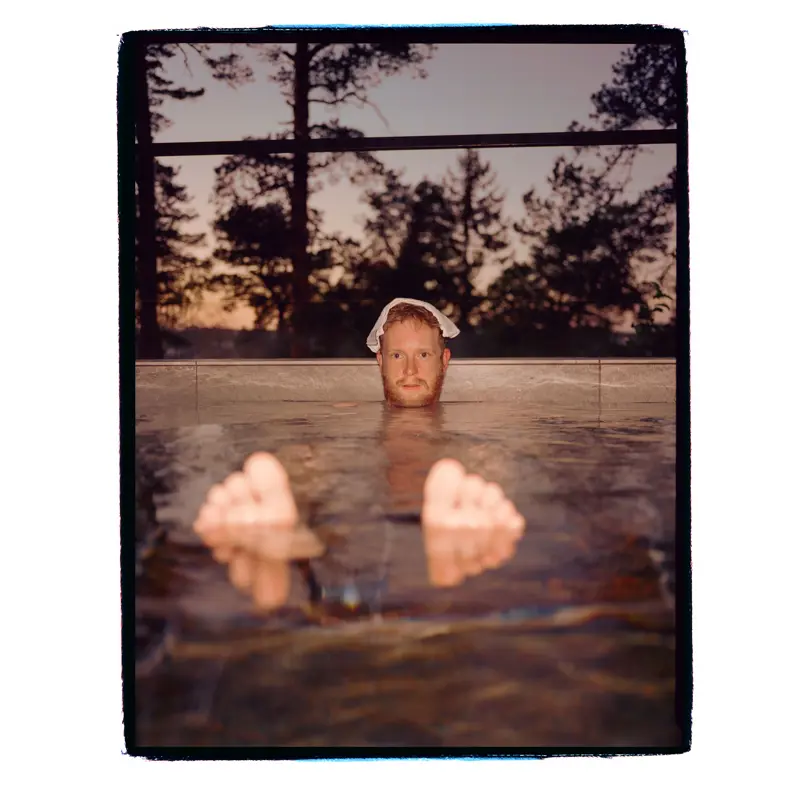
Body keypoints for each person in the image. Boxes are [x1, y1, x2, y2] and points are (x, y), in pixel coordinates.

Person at [192, 298, 525, 613]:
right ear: (380, 361)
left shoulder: (477, 437)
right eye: (397, 355)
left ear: (444, 360)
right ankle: (290, 536)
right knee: (307, 458)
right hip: (357, 489)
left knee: (490, 462)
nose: (410, 370)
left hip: (429, 479)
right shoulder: (345, 421)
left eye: (423, 354)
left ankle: (462, 539)